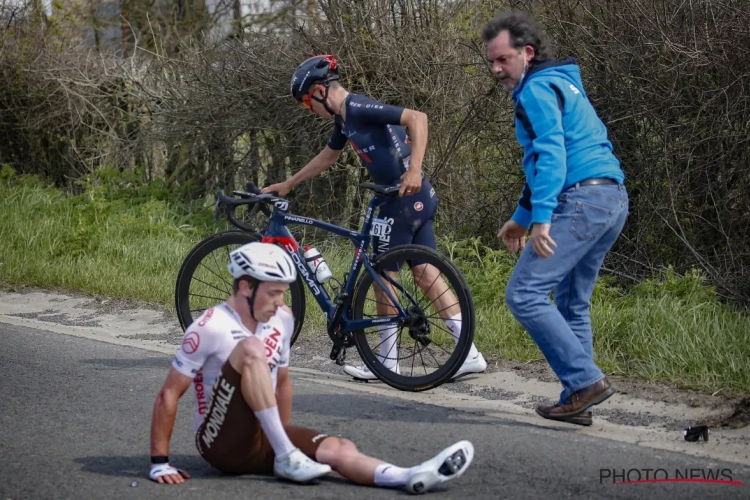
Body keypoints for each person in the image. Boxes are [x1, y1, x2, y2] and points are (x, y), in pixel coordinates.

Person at [148, 241, 475, 493]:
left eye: (283, 294)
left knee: (339, 448)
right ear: (245, 287)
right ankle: (287, 454)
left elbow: (283, 385)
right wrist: (159, 463)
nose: (280, 302)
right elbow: (168, 395)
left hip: (264, 438)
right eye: (273, 293)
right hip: (219, 442)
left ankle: (409, 476)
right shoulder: (210, 326)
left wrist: (282, 443)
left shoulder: (283, 320)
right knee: (250, 350)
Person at [262, 55, 486, 381]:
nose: (310, 110)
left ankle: (386, 362)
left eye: (308, 103)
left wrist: (414, 169)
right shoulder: (343, 120)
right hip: (414, 198)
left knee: (384, 277)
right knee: (425, 273)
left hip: (404, 197)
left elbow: (418, 118)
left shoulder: (358, 107)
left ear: (321, 91)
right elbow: (329, 156)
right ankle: (469, 354)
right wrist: (288, 184)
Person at [482, 12, 629, 426]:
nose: (496, 69)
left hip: (580, 200)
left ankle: (585, 380)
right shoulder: (562, 83)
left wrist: (542, 220)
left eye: (503, 60)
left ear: (527, 53)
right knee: (570, 302)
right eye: (491, 61)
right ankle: (577, 398)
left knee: (524, 293)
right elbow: (542, 161)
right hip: (611, 198)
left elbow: (551, 156)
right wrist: (521, 217)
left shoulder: (535, 91)